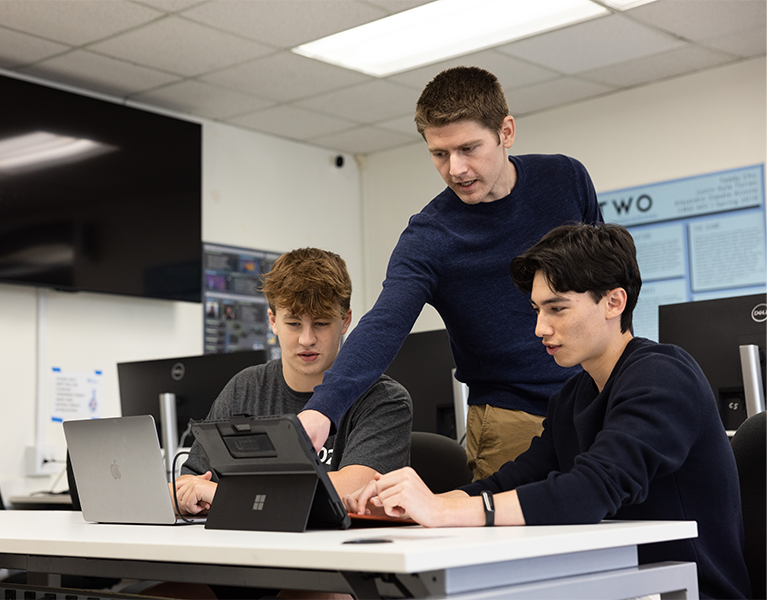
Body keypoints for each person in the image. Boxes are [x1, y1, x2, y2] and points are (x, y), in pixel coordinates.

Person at [345, 222, 751, 600]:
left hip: (682, 589)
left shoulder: (663, 375)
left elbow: (590, 492)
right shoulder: (574, 393)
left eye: (557, 309)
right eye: (537, 310)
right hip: (614, 582)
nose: (540, 328)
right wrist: (416, 506)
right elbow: (511, 481)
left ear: (614, 302)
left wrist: (443, 510)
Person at [298, 66, 602, 481]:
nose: (455, 168)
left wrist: (624, 374)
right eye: (439, 154)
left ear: (506, 132)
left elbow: (607, 281)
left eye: (468, 148)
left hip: (597, 399)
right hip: (511, 418)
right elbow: (385, 323)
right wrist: (322, 410)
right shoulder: (430, 236)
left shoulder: (565, 179)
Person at [175, 247, 412, 516]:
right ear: (273, 321)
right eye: (294, 324)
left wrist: (225, 493)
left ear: (345, 320)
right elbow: (188, 482)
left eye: (321, 323)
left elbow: (355, 489)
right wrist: (183, 495)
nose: (306, 339)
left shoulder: (384, 399)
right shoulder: (245, 388)